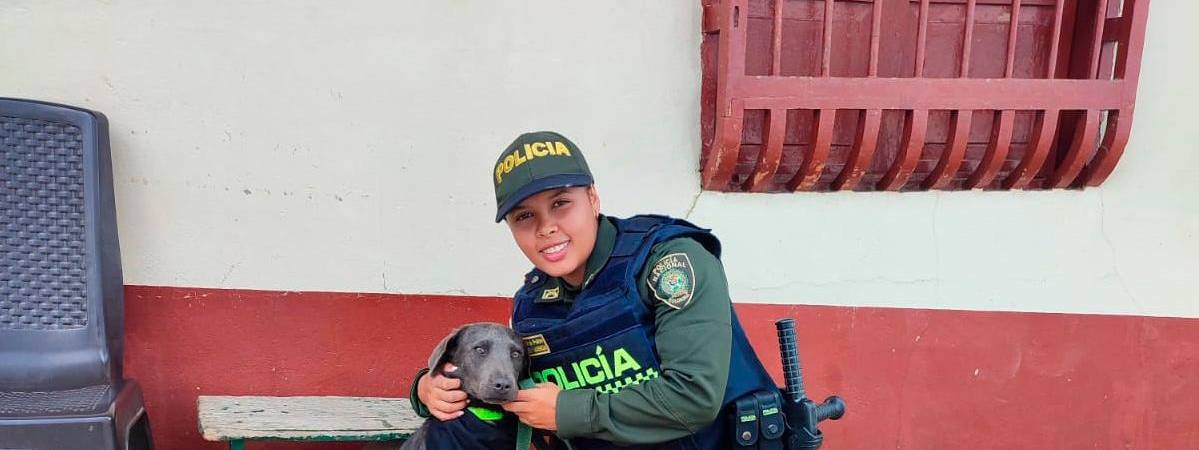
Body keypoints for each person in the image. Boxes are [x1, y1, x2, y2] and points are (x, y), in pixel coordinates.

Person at [410, 131, 780, 450]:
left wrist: (567, 411)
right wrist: (427, 390)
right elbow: (509, 389)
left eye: (560, 204)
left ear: (593, 199)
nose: (546, 228)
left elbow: (694, 396)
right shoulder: (531, 306)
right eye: (524, 216)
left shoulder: (668, 261)